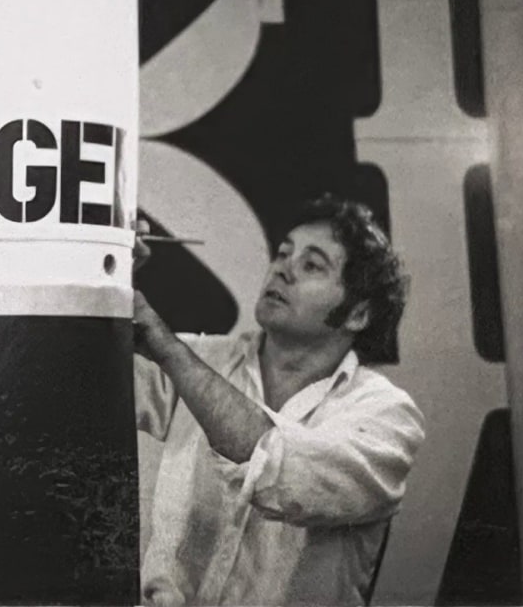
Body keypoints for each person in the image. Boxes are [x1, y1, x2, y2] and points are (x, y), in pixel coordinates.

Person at [132, 193, 425, 607]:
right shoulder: (201, 361)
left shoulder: (387, 415)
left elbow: (277, 466)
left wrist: (167, 349)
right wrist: (107, 274)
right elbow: (86, 377)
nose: (282, 269)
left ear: (358, 313)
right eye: (284, 253)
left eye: (312, 264)